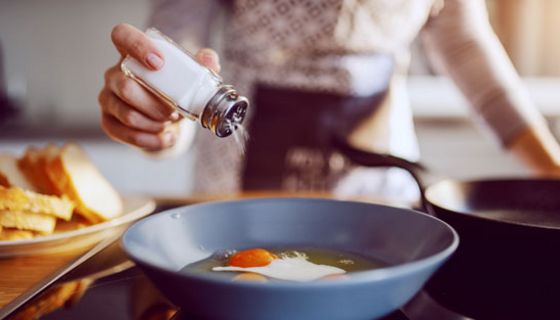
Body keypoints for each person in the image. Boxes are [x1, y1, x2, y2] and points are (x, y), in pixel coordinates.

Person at [98, 0, 560, 201]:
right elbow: (177, 39)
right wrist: (160, 118)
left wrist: (551, 171)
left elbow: (463, 44)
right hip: (236, 185)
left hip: (380, 193)